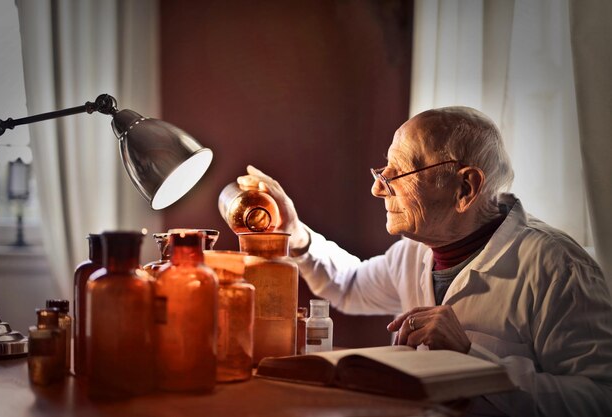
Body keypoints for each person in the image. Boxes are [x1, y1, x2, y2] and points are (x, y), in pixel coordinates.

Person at [237, 106, 612, 417]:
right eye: (382, 170)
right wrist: (296, 234)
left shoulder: (557, 267)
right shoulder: (415, 252)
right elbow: (348, 286)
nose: (377, 188)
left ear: (464, 188)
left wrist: (468, 359)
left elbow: (598, 399)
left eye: (398, 172)